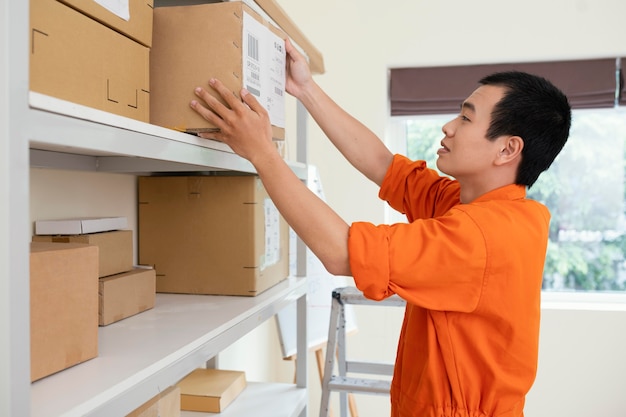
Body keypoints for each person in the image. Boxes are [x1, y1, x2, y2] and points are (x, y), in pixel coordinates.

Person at [190, 38, 571, 417]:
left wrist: (262, 153)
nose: (449, 127)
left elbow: (341, 252)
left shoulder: (481, 237)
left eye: (467, 118)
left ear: (507, 149)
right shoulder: (473, 204)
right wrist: (305, 89)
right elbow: (384, 165)